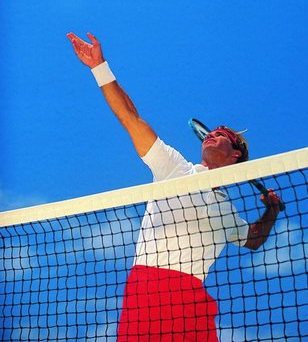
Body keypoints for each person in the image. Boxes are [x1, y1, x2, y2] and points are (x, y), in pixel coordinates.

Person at [67, 32, 283, 342]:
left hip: (193, 303)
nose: (212, 134)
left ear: (235, 154)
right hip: (146, 292)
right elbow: (132, 119)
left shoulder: (227, 211)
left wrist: (271, 211)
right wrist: (99, 66)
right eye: (212, 132)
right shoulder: (174, 166)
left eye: (222, 135)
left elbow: (252, 239)